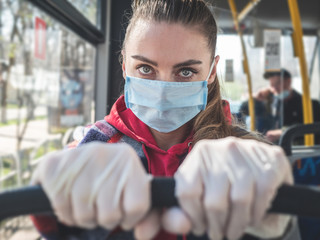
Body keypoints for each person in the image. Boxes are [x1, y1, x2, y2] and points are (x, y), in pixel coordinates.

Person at [30, 1, 294, 240]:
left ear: (211, 71)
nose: (164, 89)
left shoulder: (245, 154)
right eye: (146, 69)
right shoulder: (92, 149)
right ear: (124, 65)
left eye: (186, 71)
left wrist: (281, 222)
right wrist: (50, 210)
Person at [254, 69, 320, 143]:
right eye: (272, 85)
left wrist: (284, 132)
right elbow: (249, 113)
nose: (274, 88)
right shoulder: (271, 104)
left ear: (289, 81)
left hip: (300, 151)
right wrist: (257, 100)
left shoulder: (310, 105)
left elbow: (312, 129)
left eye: (278, 83)